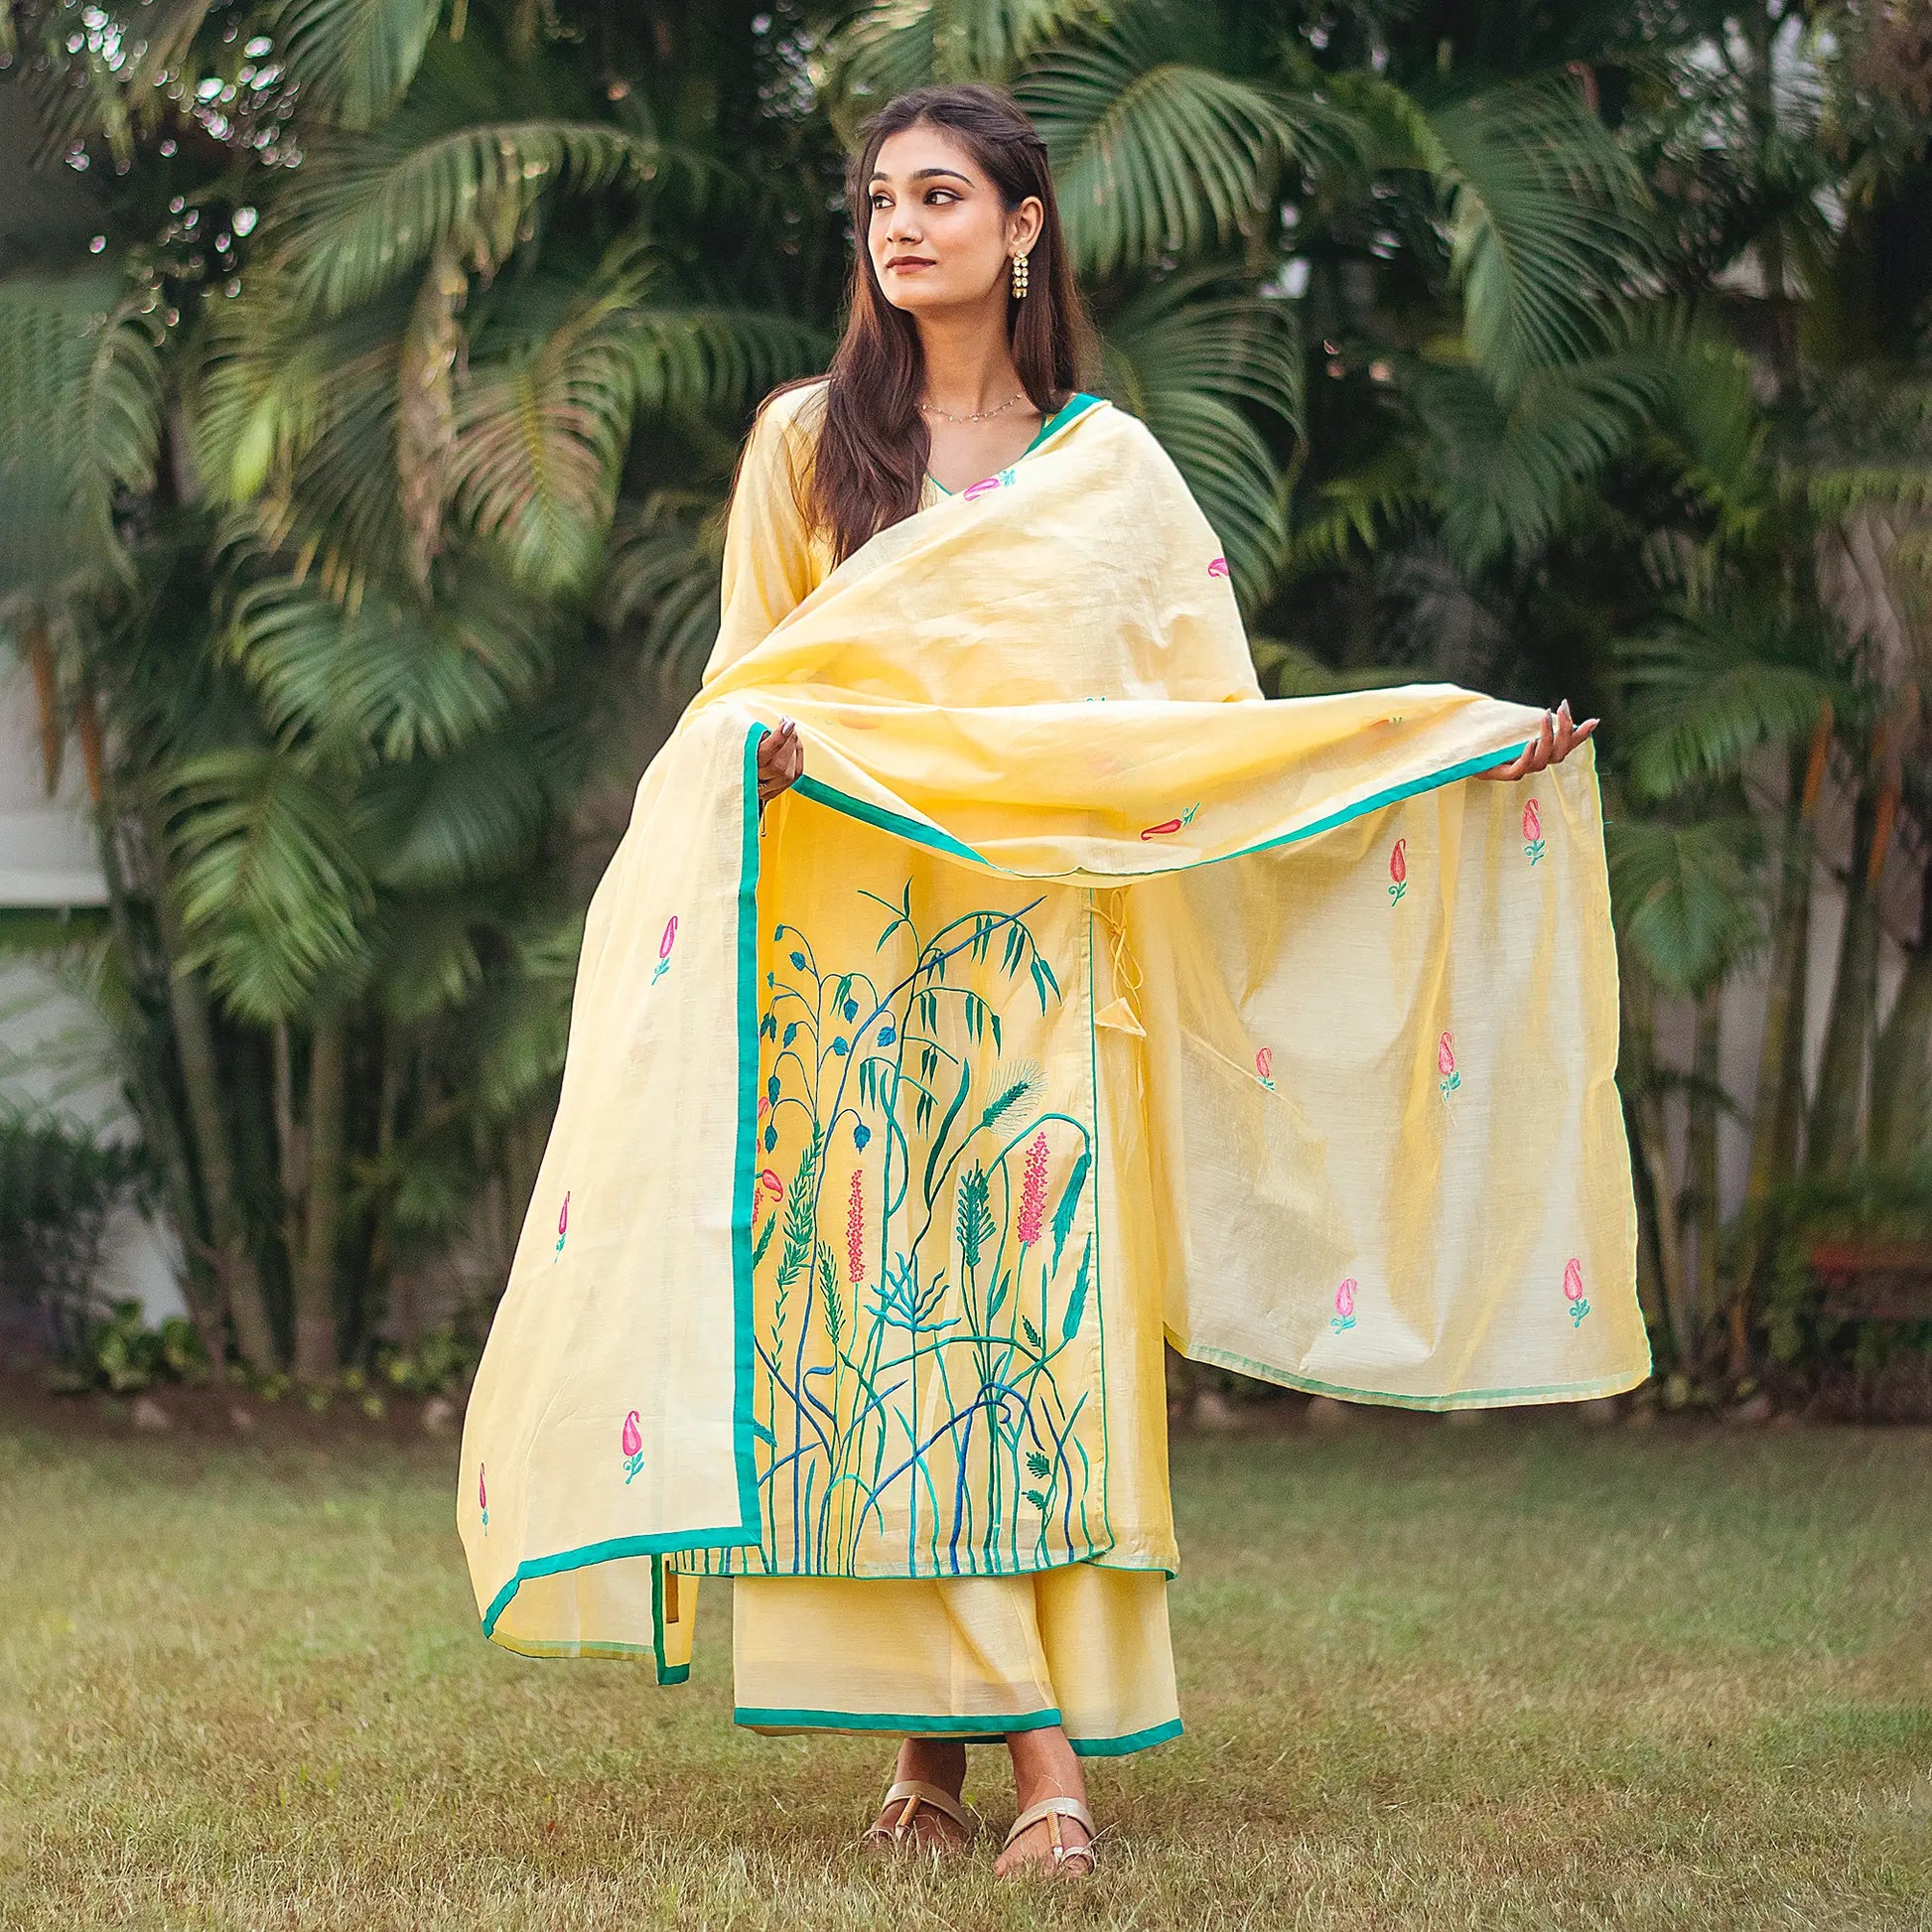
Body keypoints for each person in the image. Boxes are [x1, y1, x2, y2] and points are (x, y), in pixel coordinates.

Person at [458, 81, 1642, 1883]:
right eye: (877, 202)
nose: (900, 226)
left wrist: (1451, 756)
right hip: (843, 968)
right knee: (877, 1341)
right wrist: (769, 759)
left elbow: (1211, 745)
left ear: (1024, 229)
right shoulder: (804, 449)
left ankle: (997, 1768)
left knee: (1022, 1348)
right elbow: (733, 699)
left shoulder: (1116, 482)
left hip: (1037, 965)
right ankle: (994, 1765)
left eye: (941, 195)